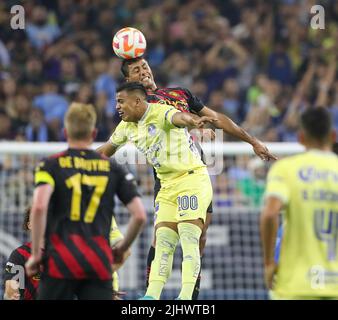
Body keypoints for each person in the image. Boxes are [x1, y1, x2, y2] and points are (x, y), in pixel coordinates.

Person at [98, 57, 277, 299]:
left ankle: (189, 297)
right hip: (166, 177)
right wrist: (192, 123)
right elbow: (173, 120)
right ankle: (152, 295)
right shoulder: (135, 109)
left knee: (198, 236)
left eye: (145, 67)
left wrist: (252, 141)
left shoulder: (178, 94)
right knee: (162, 239)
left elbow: (215, 119)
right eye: (136, 71)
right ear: (129, 82)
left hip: (194, 167)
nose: (143, 72)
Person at [25, 102, 146, 300]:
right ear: (93, 134)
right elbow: (140, 215)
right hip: (97, 262)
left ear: (65, 132)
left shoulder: (50, 165)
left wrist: (37, 254)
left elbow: (39, 207)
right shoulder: (112, 168)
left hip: (60, 261)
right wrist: (122, 248)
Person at [107, 82, 215, 300]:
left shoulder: (160, 111)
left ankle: (185, 299)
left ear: (137, 101)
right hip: (166, 186)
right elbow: (104, 151)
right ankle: (151, 297)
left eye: (121, 101)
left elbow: (179, 118)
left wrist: (194, 120)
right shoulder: (126, 126)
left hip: (191, 179)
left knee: (188, 236)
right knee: (163, 240)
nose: (117, 106)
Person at [261, 107, 338, 299]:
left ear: (301, 137)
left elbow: (270, 214)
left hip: (294, 285)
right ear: (333, 135)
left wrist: (269, 263)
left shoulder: (286, 169)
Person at [3, 207, 40, 300]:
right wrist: (11, 290)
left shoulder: (61, 254)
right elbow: (11, 284)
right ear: (29, 225)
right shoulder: (19, 254)